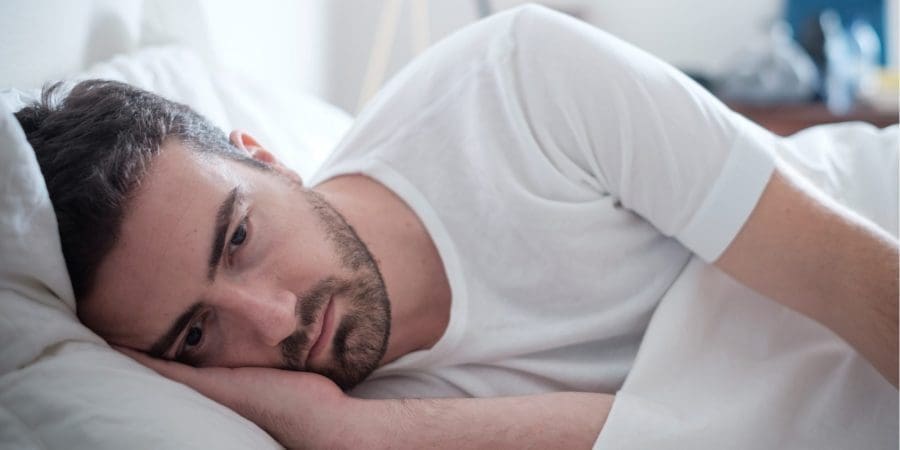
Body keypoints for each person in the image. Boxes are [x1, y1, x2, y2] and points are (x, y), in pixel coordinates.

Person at [14, 5, 897, 448]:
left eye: (239, 237)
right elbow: (681, 433)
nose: (276, 321)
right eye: (198, 334)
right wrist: (347, 434)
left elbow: (849, 278)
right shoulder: (339, 405)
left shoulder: (516, 83)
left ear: (265, 155)